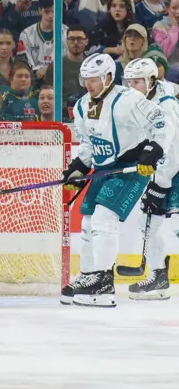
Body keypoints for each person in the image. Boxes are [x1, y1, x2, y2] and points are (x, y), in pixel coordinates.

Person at [60, 53, 170, 307]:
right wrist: (78, 167)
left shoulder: (129, 99)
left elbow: (161, 124)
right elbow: (87, 145)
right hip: (103, 168)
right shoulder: (81, 106)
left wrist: (152, 151)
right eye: (85, 79)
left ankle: (103, 279)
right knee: (87, 222)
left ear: (108, 77)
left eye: (94, 79)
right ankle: (88, 275)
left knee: (103, 220)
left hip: (131, 168)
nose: (89, 84)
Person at [122, 58, 179, 300]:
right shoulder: (146, 95)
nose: (131, 86)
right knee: (147, 220)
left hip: (174, 168)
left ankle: (158, 276)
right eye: (129, 81)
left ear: (151, 81)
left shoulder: (164, 106)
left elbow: (173, 149)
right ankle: (158, 276)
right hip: (169, 169)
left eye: (137, 81)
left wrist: (160, 184)